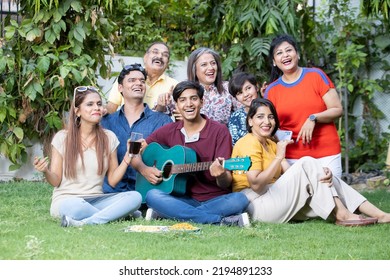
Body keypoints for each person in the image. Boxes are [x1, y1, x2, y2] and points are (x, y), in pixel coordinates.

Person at [231, 98, 390, 225]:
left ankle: (380, 215)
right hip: (255, 204)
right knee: (306, 162)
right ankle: (342, 213)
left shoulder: (271, 144)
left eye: (271, 117)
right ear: (250, 121)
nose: (267, 121)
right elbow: (257, 185)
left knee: (328, 178)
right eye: (260, 116)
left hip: (273, 198)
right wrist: (279, 157)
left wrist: (320, 173)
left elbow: (290, 172)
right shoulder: (248, 142)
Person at [131, 80, 250, 227]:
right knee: (152, 195)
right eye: (182, 100)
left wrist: (221, 174)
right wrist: (144, 169)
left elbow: (226, 182)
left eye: (193, 98)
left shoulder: (220, 131)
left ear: (202, 102)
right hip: (181, 198)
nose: (188, 104)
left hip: (214, 199)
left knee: (240, 199)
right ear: (176, 105)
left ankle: (173, 214)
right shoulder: (169, 130)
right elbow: (134, 151)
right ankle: (219, 222)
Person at [33, 86, 142, 227]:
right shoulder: (62, 138)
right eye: (90, 104)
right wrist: (46, 171)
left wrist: (128, 156)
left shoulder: (109, 137)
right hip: (68, 200)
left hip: (97, 199)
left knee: (135, 197)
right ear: (77, 111)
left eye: (98, 103)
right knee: (74, 207)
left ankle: (87, 222)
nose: (96, 108)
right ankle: (117, 214)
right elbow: (55, 181)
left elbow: (113, 181)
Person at [264, 34, 343, 177]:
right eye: (279, 53)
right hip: (292, 157)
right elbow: (268, 126)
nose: (285, 55)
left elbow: (337, 109)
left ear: (297, 54)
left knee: (331, 195)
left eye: (289, 50)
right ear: (274, 61)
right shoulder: (271, 91)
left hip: (327, 153)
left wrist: (314, 118)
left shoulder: (316, 76)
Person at [101, 63, 172, 193]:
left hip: (147, 192)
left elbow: (170, 158)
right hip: (110, 191)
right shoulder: (106, 122)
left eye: (142, 81)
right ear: (120, 88)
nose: (138, 83)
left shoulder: (162, 121)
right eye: (132, 80)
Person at [105, 42, 178, 114]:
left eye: (165, 55)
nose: (160, 56)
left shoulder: (174, 85)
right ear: (145, 57)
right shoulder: (127, 77)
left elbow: (180, 118)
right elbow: (111, 108)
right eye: (155, 52)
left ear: (168, 62)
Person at [186, 47, 242, 125]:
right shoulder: (185, 91)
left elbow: (244, 111)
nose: (211, 68)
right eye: (204, 64)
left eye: (213, 63)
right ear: (194, 69)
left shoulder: (228, 87)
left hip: (224, 136)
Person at [228, 72, 260, 145]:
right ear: (236, 98)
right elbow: (235, 145)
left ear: (257, 87)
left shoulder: (269, 110)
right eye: (240, 93)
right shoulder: (235, 118)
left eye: (248, 88)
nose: (246, 94)